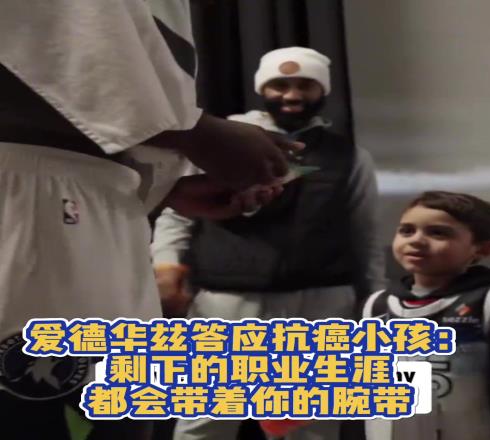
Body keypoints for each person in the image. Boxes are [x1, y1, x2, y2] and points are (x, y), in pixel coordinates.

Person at [0, 2, 299, 439]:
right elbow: (32, 36)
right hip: (29, 191)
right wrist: (192, 133)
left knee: (116, 421)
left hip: (99, 204)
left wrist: (165, 188)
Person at [151, 46, 386, 440]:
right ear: (263, 89)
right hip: (226, 301)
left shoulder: (349, 156)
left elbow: (365, 232)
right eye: (280, 85)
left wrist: (374, 300)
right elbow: (176, 213)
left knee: (310, 427)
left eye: (305, 85)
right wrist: (165, 264)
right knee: (206, 420)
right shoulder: (223, 143)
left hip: (322, 303)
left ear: (323, 90)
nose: (292, 95)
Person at [363, 191, 490, 440]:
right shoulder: (377, 305)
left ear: (483, 249)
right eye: (406, 231)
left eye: (438, 233)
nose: (416, 240)